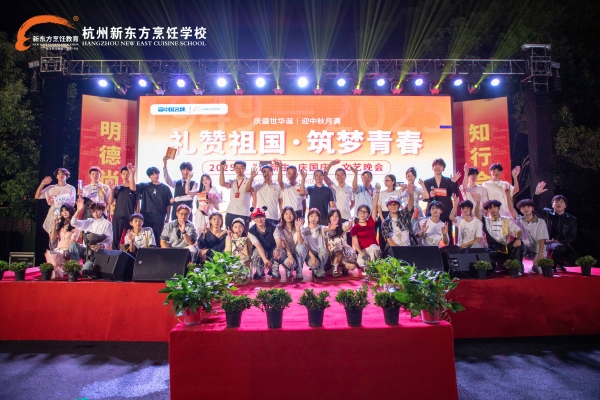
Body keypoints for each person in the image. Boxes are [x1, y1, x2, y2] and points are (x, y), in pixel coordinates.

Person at [533, 181, 578, 272]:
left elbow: (572, 235)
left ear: (565, 205)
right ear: (552, 205)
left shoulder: (571, 219)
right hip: (547, 243)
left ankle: (559, 262)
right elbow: (536, 208)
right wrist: (537, 194)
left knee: (575, 259)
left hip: (562, 243)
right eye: (556, 201)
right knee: (558, 248)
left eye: (561, 202)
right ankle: (551, 266)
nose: (558, 203)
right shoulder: (547, 214)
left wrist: (559, 241)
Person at [475, 199, 523, 272]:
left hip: (505, 248)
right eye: (490, 208)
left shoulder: (507, 220)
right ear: (488, 210)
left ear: (499, 208)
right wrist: (478, 202)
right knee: (488, 269)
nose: (493, 209)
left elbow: (518, 231)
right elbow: (476, 214)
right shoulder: (486, 220)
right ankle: (498, 265)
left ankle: (517, 268)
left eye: (495, 207)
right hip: (491, 250)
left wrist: (519, 239)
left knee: (519, 244)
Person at [130, 164, 173, 243]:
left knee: (157, 238)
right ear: (149, 176)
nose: (155, 175)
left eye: (157, 173)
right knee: (146, 238)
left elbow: (168, 204)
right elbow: (133, 188)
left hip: (159, 217)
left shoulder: (165, 188)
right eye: (153, 174)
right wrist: (132, 173)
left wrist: (168, 217)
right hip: (146, 217)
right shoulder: (145, 186)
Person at [506, 195, 549, 273]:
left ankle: (535, 267)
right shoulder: (519, 220)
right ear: (520, 210)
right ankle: (519, 267)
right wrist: (507, 194)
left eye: (528, 207)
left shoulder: (540, 222)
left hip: (537, 249)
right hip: (525, 249)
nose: (526, 209)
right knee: (517, 244)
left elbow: (542, 239)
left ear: (532, 208)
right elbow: (511, 209)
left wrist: (540, 255)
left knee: (539, 271)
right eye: (523, 207)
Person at [69, 197, 113, 274]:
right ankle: (74, 268)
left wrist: (100, 245)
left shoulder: (107, 223)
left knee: (85, 272)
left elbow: (109, 240)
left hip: (96, 253)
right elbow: (73, 223)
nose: (95, 213)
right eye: (93, 211)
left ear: (102, 210)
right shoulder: (89, 221)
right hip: (85, 250)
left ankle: (88, 267)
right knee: (73, 245)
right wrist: (79, 210)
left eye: (98, 210)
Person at [423, 158, 460, 245]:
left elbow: (455, 194)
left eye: (440, 166)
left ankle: (449, 251)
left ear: (443, 168)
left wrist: (453, 183)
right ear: (432, 168)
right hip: (432, 211)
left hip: (446, 211)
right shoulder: (427, 182)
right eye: (436, 165)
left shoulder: (449, 181)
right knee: (430, 234)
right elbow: (424, 198)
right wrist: (429, 195)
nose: (438, 167)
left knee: (447, 233)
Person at [35, 168, 77, 235]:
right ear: (56, 176)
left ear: (66, 175)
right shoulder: (51, 187)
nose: (61, 175)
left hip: (65, 214)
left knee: (63, 233)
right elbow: (37, 196)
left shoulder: (71, 188)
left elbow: (72, 204)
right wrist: (42, 184)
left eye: (63, 174)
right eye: (59, 174)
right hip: (53, 213)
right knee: (52, 233)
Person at [247, 207, 286, 279]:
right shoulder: (251, 231)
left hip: (273, 250)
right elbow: (258, 245)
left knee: (279, 252)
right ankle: (259, 271)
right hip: (261, 251)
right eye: (256, 217)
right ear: (253, 219)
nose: (259, 220)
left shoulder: (273, 227)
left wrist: (277, 248)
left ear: (265, 217)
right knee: (256, 252)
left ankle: (274, 269)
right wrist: (265, 259)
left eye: (261, 217)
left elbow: (278, 239)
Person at [107, 164, 139, 250]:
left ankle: (130, 256)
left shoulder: (134, 188)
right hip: (117, 217)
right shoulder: (117, 188)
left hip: (130, 218)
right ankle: (115, 256)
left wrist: (137, 216)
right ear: (121, 175)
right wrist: (111, 190)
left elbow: (137, 203)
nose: (126, 175)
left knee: (130, 239)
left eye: (128, 173)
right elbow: (110, 202)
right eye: (124, 173)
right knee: (115, 239)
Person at [350, 183, 381, 271]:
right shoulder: (354, 228)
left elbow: (374, 206)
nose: (363, 214)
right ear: (357, 213)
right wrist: (363, 254)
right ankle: (369, 267)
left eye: (365, 212)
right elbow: (356, 245)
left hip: (374, 249)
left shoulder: (371, 222)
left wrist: (377, 192)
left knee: (373, 248)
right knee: (360, 262)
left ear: (368, 214)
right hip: (364, 251)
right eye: (361, 212)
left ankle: (374, 268)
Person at [45, 204, 80, 278]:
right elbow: (52, 238)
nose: (64, 212)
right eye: (62, 211)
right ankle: (56, 271)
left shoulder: (75, 227)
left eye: (66, 210)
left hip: (67, 251)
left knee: (59, 254)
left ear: (71, 211)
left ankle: (59, 271)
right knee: (51, 253)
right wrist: (54, 224)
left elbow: (72, 242)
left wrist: (64, 252)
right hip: (58, 250)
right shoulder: (60, 226)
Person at [274, 206, 307, 279]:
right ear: (283, 216)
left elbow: (300, 242)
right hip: (286, 253)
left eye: (290, 214)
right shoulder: (279, 227)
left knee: (301, 247)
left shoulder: (299, 225)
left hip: (297, 253)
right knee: (289, 264)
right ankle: (288, 269)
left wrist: (298, 228)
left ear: (294, 215)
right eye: (286, 214)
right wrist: (289, 255)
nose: (288, 216)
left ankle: (299, 271)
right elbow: (283, 243)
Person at [325, 208, 357, 277]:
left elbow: (346, 227)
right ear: (329, 217)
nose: (334, 218)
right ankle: (335, 270)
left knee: (352, 266)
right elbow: (325, 244)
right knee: (338, 250)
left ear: (339, 218)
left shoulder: (342, 226)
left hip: (345, 251)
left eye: (337, 216)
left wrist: (350, 225)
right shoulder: (326, 229)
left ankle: (344, 267)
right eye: (332, 216)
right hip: (334, 252)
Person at [220, 160, 251, 230]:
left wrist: (252, 211)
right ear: (234, 169)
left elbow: (254, 196)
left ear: (245, 169)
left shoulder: (249, 180)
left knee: (243, 234)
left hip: (244, 213)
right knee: (229, 232)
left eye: (241, 167)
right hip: (231, 211)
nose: (239, 169)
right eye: (236, 168)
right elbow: (222, 183)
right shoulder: (232, 180)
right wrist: (222, 170)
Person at [301, 208, 330, 279]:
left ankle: (319, 270)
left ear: (319, 218)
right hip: (310, 255)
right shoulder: (304, 230)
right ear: (308, 217)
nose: (313, 218)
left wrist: (331, 228)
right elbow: (305, 246)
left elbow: (327, 228)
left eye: (316, 216)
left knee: (323, 250)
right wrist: (313, 257)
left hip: (320, 254)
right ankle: (317, 269)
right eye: (311, 216)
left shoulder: (321, 228)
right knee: (314, 264)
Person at [324, 160, 354, 224]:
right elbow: (324, 177)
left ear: (345, 176)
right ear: (335, 177)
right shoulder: (333, 186)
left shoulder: (350, 189)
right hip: (335, 217)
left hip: (346, 217)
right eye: (338, 175)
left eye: (342, 175)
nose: (340, 177)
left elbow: (353, 203)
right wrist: (330, 164)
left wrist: (346, 210)